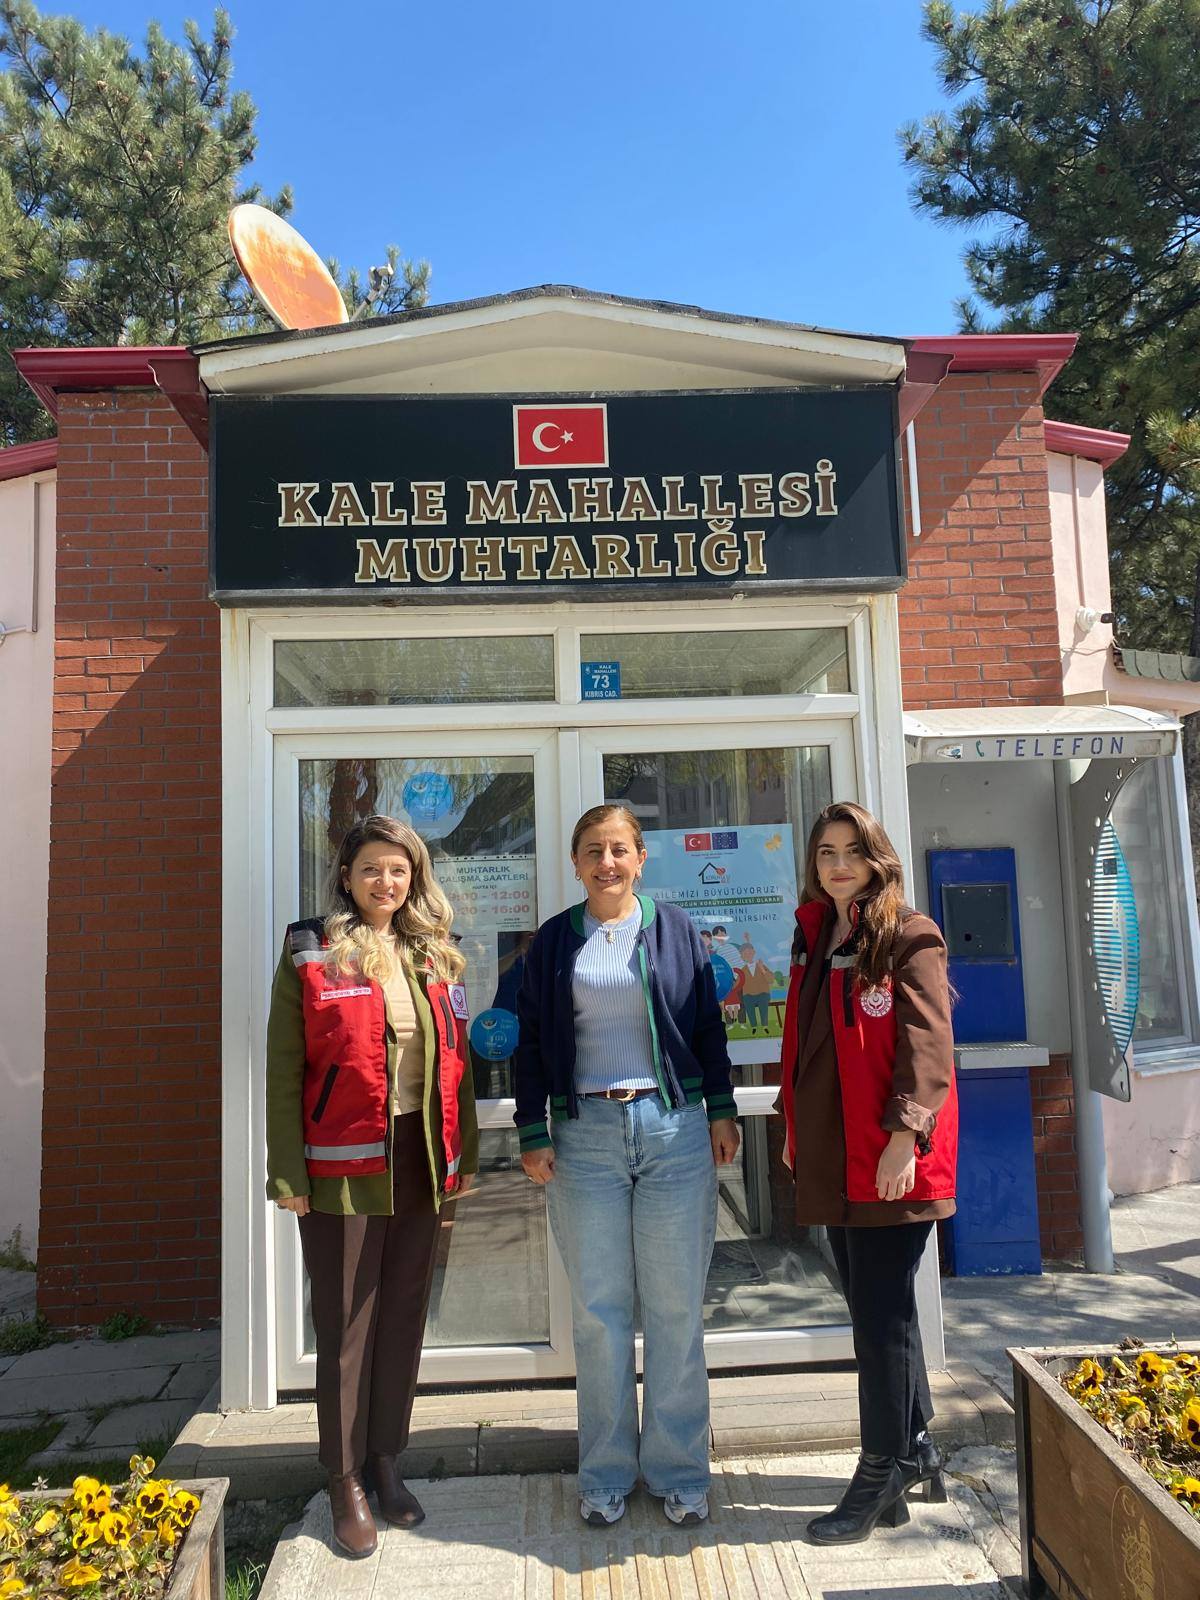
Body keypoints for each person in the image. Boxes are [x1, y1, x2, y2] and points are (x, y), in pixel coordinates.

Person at [514, 804, 740, 1530]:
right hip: (586, 1136)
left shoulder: (676, 930)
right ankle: (606, 1473)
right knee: (599, 1313)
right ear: (575, 863)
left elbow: (706, 1026)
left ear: (641, 858)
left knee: (675, 1309)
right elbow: (529, 1040)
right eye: (592, 851)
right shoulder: (554, 941)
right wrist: (532, 1128)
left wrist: (721, 1109)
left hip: (672, 1131)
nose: (606, 863)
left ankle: (679, 1470)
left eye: (619, 850)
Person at [265, 815, 478, 1558]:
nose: (385, 882)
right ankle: (344, 1477)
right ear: (347, 878)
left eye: (398, 869)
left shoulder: (435, 953)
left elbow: (457, 1065)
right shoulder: (311, 951)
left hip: (420, 1159)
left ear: (414, 878)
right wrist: (288, 1172)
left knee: (404, 1315)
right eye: (371, 869)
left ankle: (387, 1459)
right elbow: (285, 1067)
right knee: (346, 1325)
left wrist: (462, 1157)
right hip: (341, 1168)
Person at [779, 801, 958, 1545]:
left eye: (852, 850)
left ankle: (882, 1468)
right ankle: (916, 1448)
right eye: (826, 852)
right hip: (836, 1154)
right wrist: (796, 1132)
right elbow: (807, 1045)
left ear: (877, 858)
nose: (838, 864)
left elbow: (927, 1047)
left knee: (880, 1320)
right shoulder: (817, 936)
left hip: (890, 1159)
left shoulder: (908, 934)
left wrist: (903, 1139)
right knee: (878, 1308)